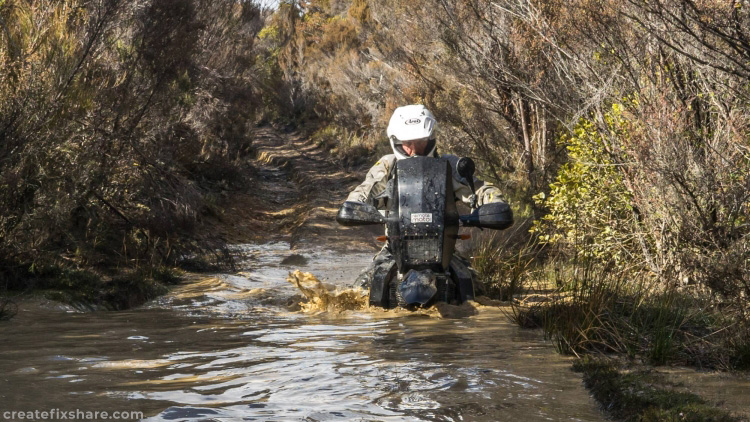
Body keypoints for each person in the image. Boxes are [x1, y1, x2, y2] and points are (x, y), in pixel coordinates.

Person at [346, 104, 508, 288]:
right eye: (408, 144)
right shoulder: (387, 165)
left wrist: (494, 204)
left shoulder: (448, 164)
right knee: (362, 289)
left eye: (420, 142)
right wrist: (355, 207)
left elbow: (480, 189)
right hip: (394, 248)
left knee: (477, 289)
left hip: (444, 249)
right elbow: (364, 190)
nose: (414, 150)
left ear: (431, 139)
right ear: (396, 142)